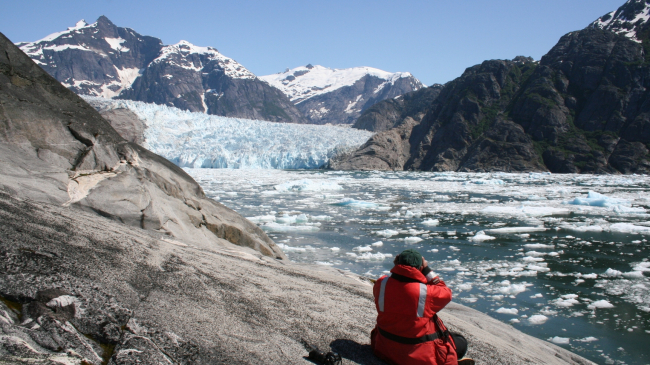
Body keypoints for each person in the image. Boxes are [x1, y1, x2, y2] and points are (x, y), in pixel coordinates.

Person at [371, 249, 474, 365]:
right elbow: (446, 292)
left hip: (384, 347)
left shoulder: (381, 284)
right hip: (416, 355)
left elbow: (395, 283)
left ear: (397, 263)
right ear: (420, 268)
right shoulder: (425, 293)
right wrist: (427, 271)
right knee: (461, 343)